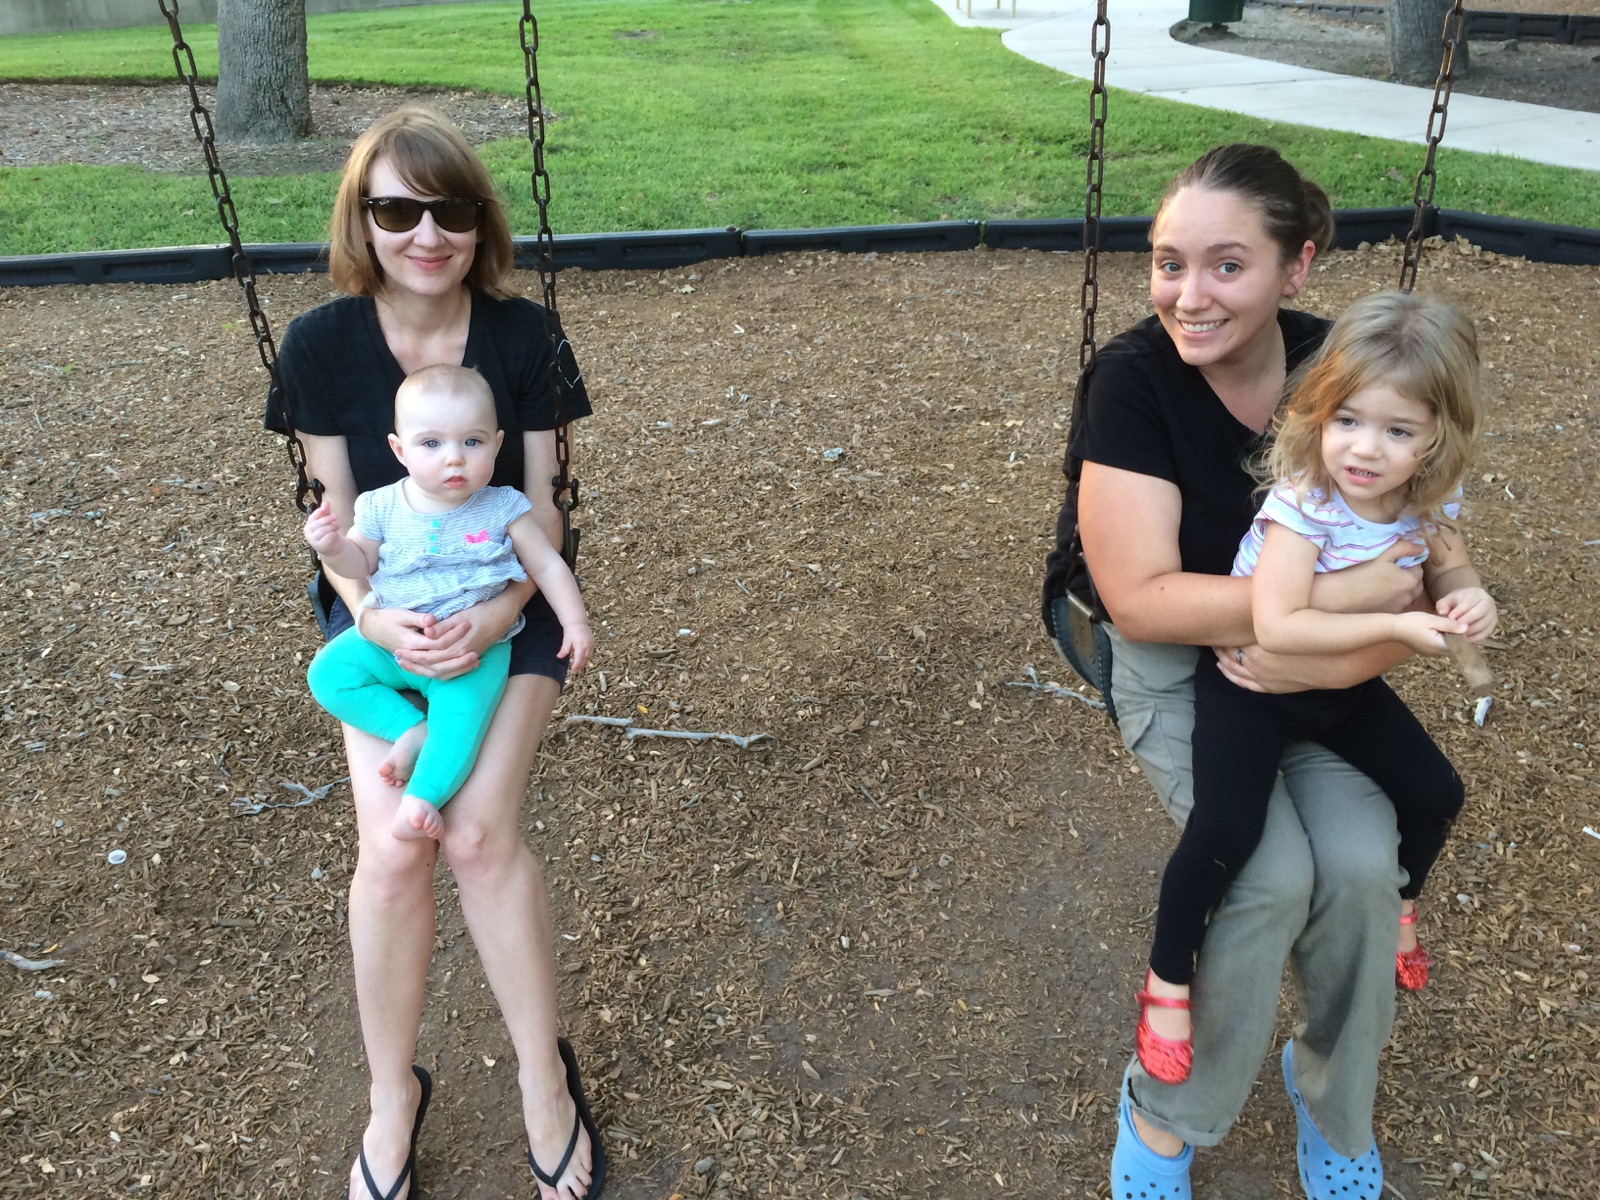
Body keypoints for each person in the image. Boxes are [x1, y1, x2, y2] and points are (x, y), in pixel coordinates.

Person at [1043, 144, 1437, 1200]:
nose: (1190, 295)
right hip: (1175, 664)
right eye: (1169, 263)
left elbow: (1413, 542)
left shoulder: (1339, 369)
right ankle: (1164, 1117)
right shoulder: (1133, 382)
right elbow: (1141, 599)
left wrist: (1353, 626)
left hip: (1313, 670)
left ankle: (1334, 1101)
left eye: (1227, 265)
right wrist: (1336, 602)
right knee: (1264, 875)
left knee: (1362, 869)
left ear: (1294, 267)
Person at [268, 105, 604, 1200]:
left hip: (510, 604)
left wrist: (504, 614)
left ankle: (543, 1083)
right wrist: (370, 616)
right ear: (361, 220)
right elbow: (337, 516)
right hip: (383, 609)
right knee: (392, 849)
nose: (427, 235)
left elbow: (543, 511)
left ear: (479, 220)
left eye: (451, 210)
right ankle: (390, 1095)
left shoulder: (525, 338)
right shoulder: (319, 347)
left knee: (476, 835)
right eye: (397, 211)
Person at [1135, 290, 1495, 1086]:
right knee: (1226, 830)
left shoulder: (1426, 500)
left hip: (1342, 689)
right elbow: (1278, 625)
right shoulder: (1306, 507)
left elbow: (1452, 569)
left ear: (1437, 438)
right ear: (1319, 414)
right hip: (1251, 690)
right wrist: (1397, 625)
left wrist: (1474, 599)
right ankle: (1166, 977)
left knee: (1436, 793)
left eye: (1397, 431)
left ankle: (1400, 901)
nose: (1365, 449)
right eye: (1348, 420)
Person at [304, 364, 594, 844]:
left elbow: (547, 564)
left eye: (472, 442)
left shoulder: (504, 507)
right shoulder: (380, 506)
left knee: (460, 723)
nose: (454, 458)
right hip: (392, 644)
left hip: (472, 650)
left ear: (497, 445)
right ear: (400, 450)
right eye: (431, 444)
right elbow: (357, 564)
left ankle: (422, 797)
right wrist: (332, 547)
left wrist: (575, 622)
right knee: (329, 675)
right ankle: (408, 729)